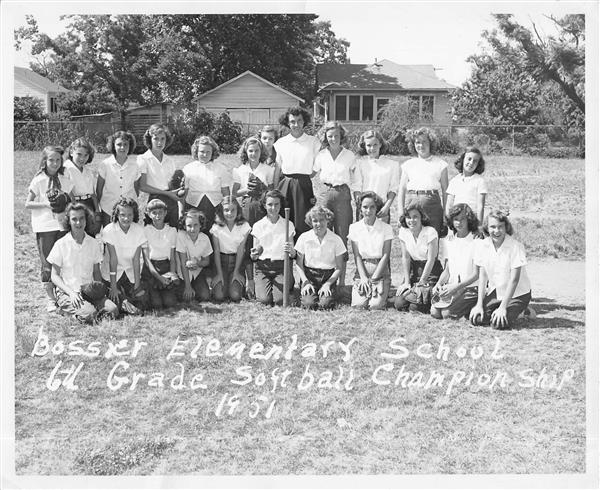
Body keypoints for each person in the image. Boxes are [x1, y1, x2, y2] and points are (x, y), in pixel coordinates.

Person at [48, 203, 118, 323]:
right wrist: (71, 293)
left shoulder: (94, 243)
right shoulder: (61, 244)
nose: (78, 223)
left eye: (82, 218)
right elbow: (54, 276)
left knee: (113, 310)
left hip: (89, 290)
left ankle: (89, 311)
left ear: (87, 219)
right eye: (74, 219)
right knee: (89, 315)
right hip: (69, 292)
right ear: (68, 221)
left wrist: (99, 292)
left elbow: (96, 271)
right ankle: (65, 309)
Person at [25, 146, 74, 312]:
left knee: (62, 260)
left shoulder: (65, 179)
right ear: (44, 161)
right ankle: (51, 299)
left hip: (62, 226)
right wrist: (46, 204)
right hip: (45, 226)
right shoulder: (39, 180)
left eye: (58, 160)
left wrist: (66, 201)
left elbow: (72, 202)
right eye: (51, 160)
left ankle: (63, 293)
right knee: (47, 263)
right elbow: (28, 203)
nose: (54, 163)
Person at [469, 210, 532, 330]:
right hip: (497, 291)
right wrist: (479, 304)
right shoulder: (482, 246)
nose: (496, 231)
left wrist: (503, 308)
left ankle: (524, 311)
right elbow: (483, 277)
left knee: (498, 323)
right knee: (477, 319)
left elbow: (514, 280)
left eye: (500, 227)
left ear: (506, 227)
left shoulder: (515, 247)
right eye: (492, 227)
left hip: (518, 293)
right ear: (486, 228)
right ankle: (506, 308)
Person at [314, 121, 359, 286]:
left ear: (342, 137)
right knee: (324, 233)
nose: (333, 139)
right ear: (325, 137)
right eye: (330, 136)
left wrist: (357, 196)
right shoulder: (321, 155)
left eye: (336, 136)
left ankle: (341, 282)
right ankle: (325, 277)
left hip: (343, 194)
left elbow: (356, 178)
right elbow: (311, 173)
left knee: (342, 235)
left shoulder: (349, 155)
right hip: (326, 194)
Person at [233, 136, 275, 298]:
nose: (254, 154)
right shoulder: (240, 170)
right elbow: (234, 192)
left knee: (263, 239)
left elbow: (272, 192)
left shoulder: (267, 169)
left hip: (262, 207)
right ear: (246, 152)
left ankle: (264, 277)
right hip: (247, 208)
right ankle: (250, 280)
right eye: (250, 151)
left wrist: (261, 188)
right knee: (248, 242)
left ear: (261, 151)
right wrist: (247, 190)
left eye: (257, 150)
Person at [274, 106, 320, 238]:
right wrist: (276, 189)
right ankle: (287, 254)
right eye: (292, 121)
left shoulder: (313, 141)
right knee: (285, 220)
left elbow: (316, 167)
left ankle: (302, 255)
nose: (296, 124)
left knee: (303, 221)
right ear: (288, 123)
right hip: (285, 185)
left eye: (299, 121)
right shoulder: (281, 143)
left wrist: (304, 178)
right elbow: (278, 168)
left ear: (304, 121)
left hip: (304, 184)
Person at [431, 204, 481, 319]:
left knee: (446, 314)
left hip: (471, 288)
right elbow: (447, 271)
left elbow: (476, 274)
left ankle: (474, 307)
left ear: (469, 220)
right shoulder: (449, 241)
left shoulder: (476, 241)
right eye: (456, 219)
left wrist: (456, 287)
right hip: (452, 287)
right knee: (434, 312)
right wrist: (439, 284)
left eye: (463, 219)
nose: (459, 222)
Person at [398, 127, 449, 237]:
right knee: (413, 238)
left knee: (432, 237)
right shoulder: (408, 164)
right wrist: (400, 212)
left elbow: (446, 191)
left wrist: (446, 213)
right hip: (411, 202)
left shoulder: (440, 164)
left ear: (431, 143)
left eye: (424, 142)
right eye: (417, 142)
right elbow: (401, 190)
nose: (421, 145)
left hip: (432, 203)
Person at [101, 197, 148, 314]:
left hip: (130, 272)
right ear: (117, 215)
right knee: (114, 297)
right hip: (112, 273)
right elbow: (113, 259)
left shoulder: (139, 230)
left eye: (129, 215)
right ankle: (122, 301)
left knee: (144, 302)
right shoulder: (109, 230)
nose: (126, 218)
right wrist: (113, 286)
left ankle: (127, 301)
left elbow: (136, 259)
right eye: (122, 215)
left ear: (134, 215)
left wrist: (137, 285)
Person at [293, 206, 346, 310]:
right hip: (309, 276)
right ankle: (307, 294)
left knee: (325, 305)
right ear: (310, 222)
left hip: (328, 276)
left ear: (327, 220)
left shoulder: (336, 239)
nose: (319, 224)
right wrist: (305, 282)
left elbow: (339, 267)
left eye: (322, 220)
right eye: (315, 221)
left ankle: (327, 295)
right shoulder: (304, 237)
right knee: (309, 304)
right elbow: (299, 264)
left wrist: (328, 284)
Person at [348, 192, 393, 310]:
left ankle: (383, 293)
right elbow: (357, 255)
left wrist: (374, 280)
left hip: (380, 270)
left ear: (377, 207)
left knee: (375, 305)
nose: (368, 210)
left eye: (372, 207)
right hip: (362, 269)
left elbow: (386, 255)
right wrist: (363, 277)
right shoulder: (354, 228)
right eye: (365, 207)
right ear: (360, 208)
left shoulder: (386, 228)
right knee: (359, 305)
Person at [394, 203, 443, 312]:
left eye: (415, 216)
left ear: (422, 217)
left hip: (430, 272)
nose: (412, 220)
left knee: (415, 307)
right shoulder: (403, 231)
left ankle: (430, 298)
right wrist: (406, 282)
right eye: (408, 217)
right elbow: (405, 257)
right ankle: (411, 293)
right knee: (399, 304)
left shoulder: (430, 231)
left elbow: (431, 259)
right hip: (414, 270)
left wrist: (421, 282)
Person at [250, 190, 295, 306]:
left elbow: (293, 254)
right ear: (264, 205)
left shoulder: (288, 224)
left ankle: (288, 281)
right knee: (264, 300)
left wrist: (291, 250)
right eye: (270, 204)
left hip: (281, 267)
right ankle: (266, 285)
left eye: (277, 204)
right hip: (263, 268)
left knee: (279, 301)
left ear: (281, 205)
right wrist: (254, 254)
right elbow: (254, 253)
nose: (273, 208)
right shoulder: (258, 225)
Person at [182, 135, 232, 230]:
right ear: (196, 152)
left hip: (215, 207)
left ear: (213, 152)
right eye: (202, 151)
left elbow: (226, 192)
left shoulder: (221, 169)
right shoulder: (188, 168)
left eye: (208, 152)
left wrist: (226, 209)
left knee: (213, 233)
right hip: (193, 206)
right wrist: (182, 211)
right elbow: (184, 192)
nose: (205, 155)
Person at [138, 123, 182, 226]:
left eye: (163, 139)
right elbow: (142, 186)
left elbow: (172, 185)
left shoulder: (170, 160)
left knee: (172, 233)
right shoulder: (143, 159)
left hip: (172, 201)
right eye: (156, 138)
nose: (159, 142)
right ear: (150, 139)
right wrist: (167, 193)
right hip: (154, 201)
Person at [210, 196, 251, 302]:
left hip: (236, 262)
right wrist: (219, 274)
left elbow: (241, 250)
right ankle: (221, 281)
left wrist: (237, 272)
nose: (230, 213)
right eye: (226, 210)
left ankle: (233, 282)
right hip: (221, 262)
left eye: (233, 210)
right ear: (221, 211)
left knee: (235, 296)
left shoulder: (244, 226)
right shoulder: (216, 227)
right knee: (219, 296)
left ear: (238, 211)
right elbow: (216, 252)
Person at [141, 199, 179, 310]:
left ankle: (168, 291)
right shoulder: (146, 231)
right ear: (149, 214)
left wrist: (171, 274)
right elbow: (146, 260)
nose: (158, 216)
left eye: (160, 212)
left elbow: (172, 258)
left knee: (169, 303)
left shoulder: (172, 231)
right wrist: (159, 277)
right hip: (151, 270)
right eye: (154, 213)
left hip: (166, 267)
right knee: (156, 305)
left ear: (165, 213)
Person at [97, 131, 141, 226]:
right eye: (119, 144)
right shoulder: (105, 164)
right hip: (108, 208)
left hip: (128, 210)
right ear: (113, 145)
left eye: (125, 144)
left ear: (130, 146)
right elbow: (99, 189)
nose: (122, 147)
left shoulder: (135, 166)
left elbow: (136, 189)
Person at [355, 130, 399, 224]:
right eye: (369, 145)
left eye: (375, 144)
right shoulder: (360, 164)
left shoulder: (392, 165)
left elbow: (393, 189)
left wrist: (386, 207)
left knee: (381, 237)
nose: (372, 148)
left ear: (380, 144)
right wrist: (361, 207)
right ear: (364, 146)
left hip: (381, 208)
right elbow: (357, 186)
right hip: (365, 207)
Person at [63, 137, 101, 235]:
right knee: (77, 233)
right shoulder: (66, 168)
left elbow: (93, 193)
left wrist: (97, 211)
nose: (82, 158)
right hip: (75, 203)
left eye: (85, 155)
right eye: (79, 154)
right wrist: (76, 208)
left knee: (91, 234)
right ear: (71, 152)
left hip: (89, 203)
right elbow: (69, 191)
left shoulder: (88, 171)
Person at [176, 209, 213, 303]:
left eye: (196, 225)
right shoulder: (181, 236)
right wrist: (188, 287)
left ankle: (198, 288)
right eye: (189, 226)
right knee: (184, 297)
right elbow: (183, 263)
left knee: (205, 296)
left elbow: (207, 261)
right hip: (182, 274)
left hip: (197, 273)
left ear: (201, 225)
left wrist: (198, 264)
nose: (192, 229)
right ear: (184, 226)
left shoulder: (205, 238)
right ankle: (188, 288)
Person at [446, 146, 488, 224]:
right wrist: (448, 221)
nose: (471, 162)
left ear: (478, 164)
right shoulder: (454, 180)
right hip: (457, 219)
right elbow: (449, 204)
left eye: (475, 161)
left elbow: (480, 206)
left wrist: (479, 226)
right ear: (462, 159)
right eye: (469, 159)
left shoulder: (480, 181)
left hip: (472, 219)